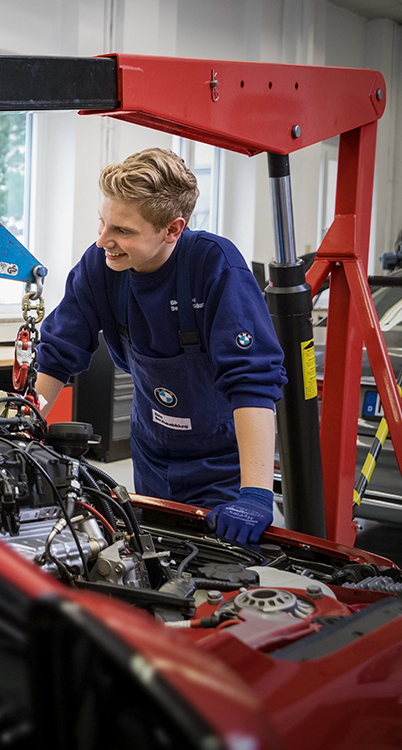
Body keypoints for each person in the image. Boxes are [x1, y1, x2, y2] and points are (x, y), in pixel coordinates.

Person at [33, 148, 287, 546]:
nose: (104, 241)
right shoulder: (101, 266)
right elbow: (58, 351)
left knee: (221, 575)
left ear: (173, 229)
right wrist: (23, 429)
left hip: (222, 462)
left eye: (123, 231)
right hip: (152, 450)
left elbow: (252, 381)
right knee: (153, 562)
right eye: (102, 223)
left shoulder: (215, 267)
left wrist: (255, 494)